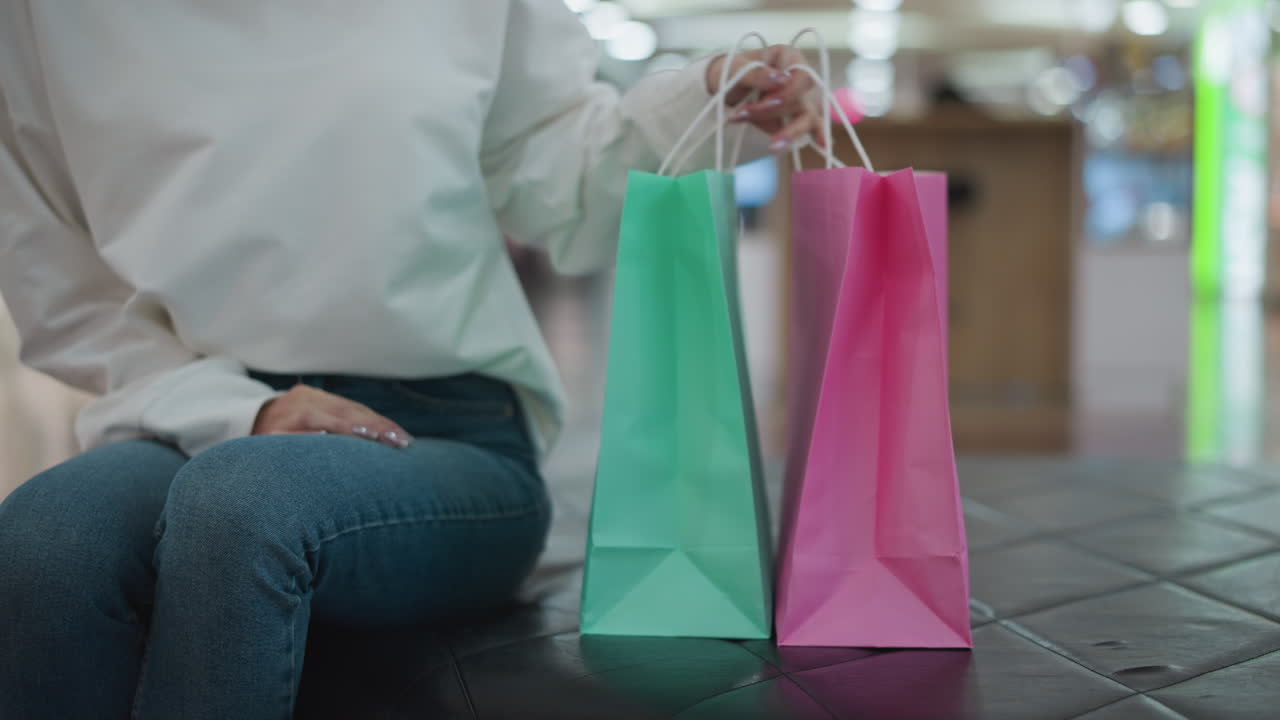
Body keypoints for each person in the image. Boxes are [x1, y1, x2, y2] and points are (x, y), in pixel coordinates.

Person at [0, 2, 820, 718]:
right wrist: (239, 412)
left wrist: (701, 106)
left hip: (445, 429)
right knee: (44, 539)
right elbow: (59, 282)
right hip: (189, 411)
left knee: (244, 503)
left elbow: (558, 178)